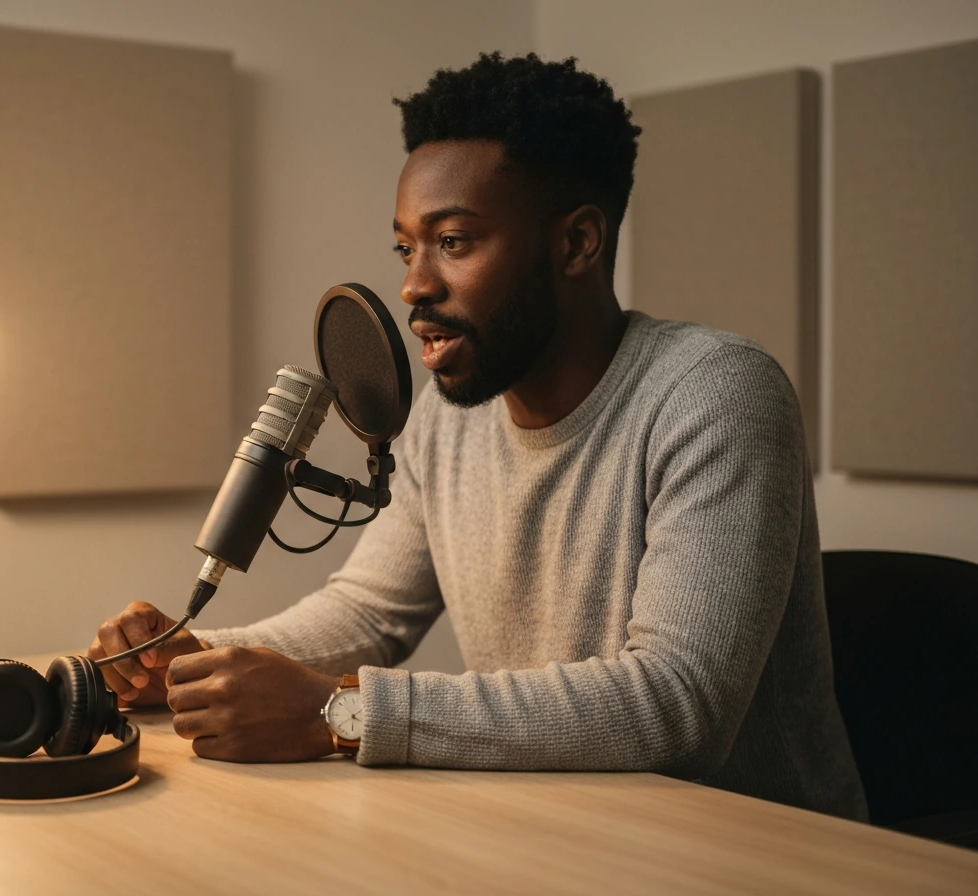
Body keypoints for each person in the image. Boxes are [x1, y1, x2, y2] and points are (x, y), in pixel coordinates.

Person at [88, 52, 868, 820]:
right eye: (407, 248)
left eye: (454, 242)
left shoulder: (716, 393)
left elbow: (679, 705)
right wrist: (194, 663)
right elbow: (368, 613)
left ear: (577, 243)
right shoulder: (447, 414)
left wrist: (338, 714)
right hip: (560, 832)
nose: (413, 285)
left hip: (759, 855)